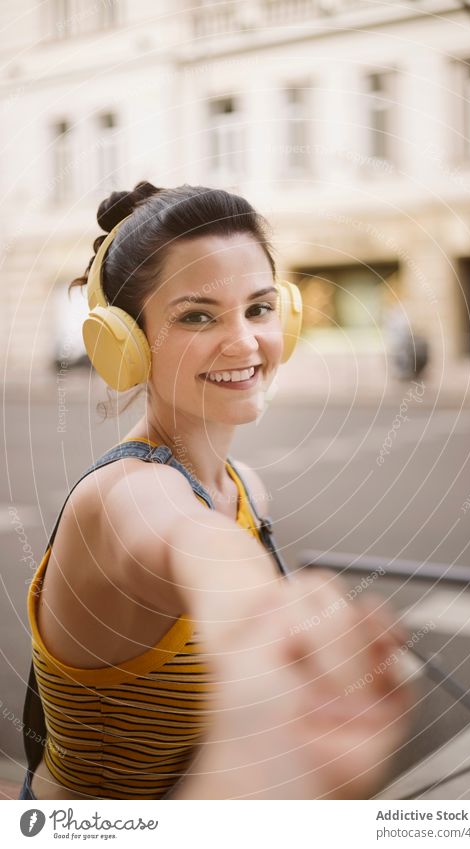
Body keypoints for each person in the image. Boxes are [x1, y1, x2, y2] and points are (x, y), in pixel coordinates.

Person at [20, 182, 412, 801]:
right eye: (197, 315)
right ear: (123, 341)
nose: (245, 342)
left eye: (258, 308)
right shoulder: (123, 498)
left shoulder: (244, 488)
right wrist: (267, 639)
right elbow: (196, 546)